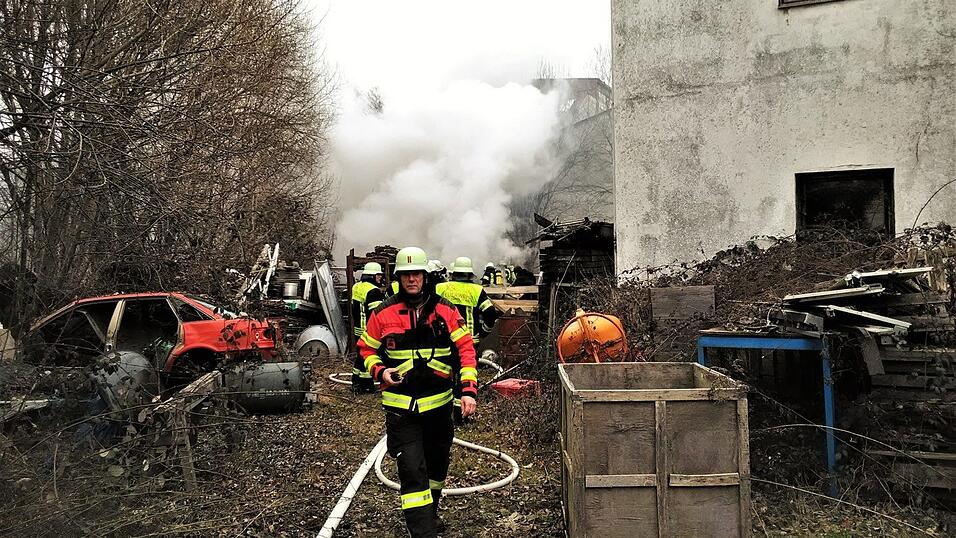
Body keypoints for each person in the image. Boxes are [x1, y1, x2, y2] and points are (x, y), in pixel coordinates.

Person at [358, 247, 478, 537]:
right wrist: (380, 371)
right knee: (412, 471)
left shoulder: (446, 310)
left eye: (417, 274)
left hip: (439, 408)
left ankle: (430, 514)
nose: (412, 279)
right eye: (406, 274)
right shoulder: (383, 313)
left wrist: (468, 391)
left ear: (425, 276)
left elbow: (465, 350)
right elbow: (365, 348)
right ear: (399, 277)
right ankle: (423, 532)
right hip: (402, 411)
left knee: (437, 468)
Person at [436, 257, 500, 422]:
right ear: (470, 274)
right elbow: (491, 314)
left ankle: (440, 414)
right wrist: (484, 331)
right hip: (468, 341)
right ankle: (461, 415)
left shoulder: (440, 288)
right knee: (465, 376)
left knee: (440, 375)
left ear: (454, 272)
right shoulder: (476, 291)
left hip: (442, 341)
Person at [350, 262, 386, 392]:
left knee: (360, 356)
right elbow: (376, 314)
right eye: (378, 276)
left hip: (358, 328)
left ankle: (355, 382)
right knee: (368, 355)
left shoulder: (356, 287)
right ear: (372, 276)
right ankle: (366, 386)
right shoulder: (374, 291)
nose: (381, 278)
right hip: (369, 330)